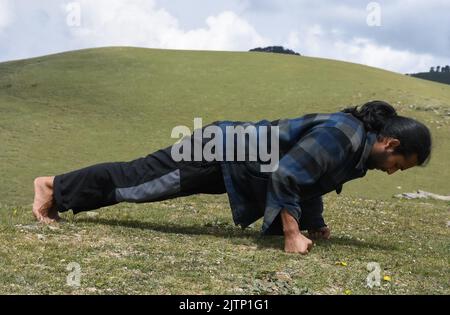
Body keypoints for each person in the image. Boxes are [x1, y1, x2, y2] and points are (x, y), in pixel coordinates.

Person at [32, 101, 432, 255]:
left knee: (140, 182)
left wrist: (315, 224)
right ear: (391, 143)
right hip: (221, 149)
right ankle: (54, 186)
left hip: (237, 162)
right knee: (140, 183)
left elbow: (314, 179)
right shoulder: (343, 135)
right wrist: (292, 236)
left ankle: (60, 190)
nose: (396, 172)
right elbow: (290, 174)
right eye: (402, 163)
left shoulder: (357, 149)